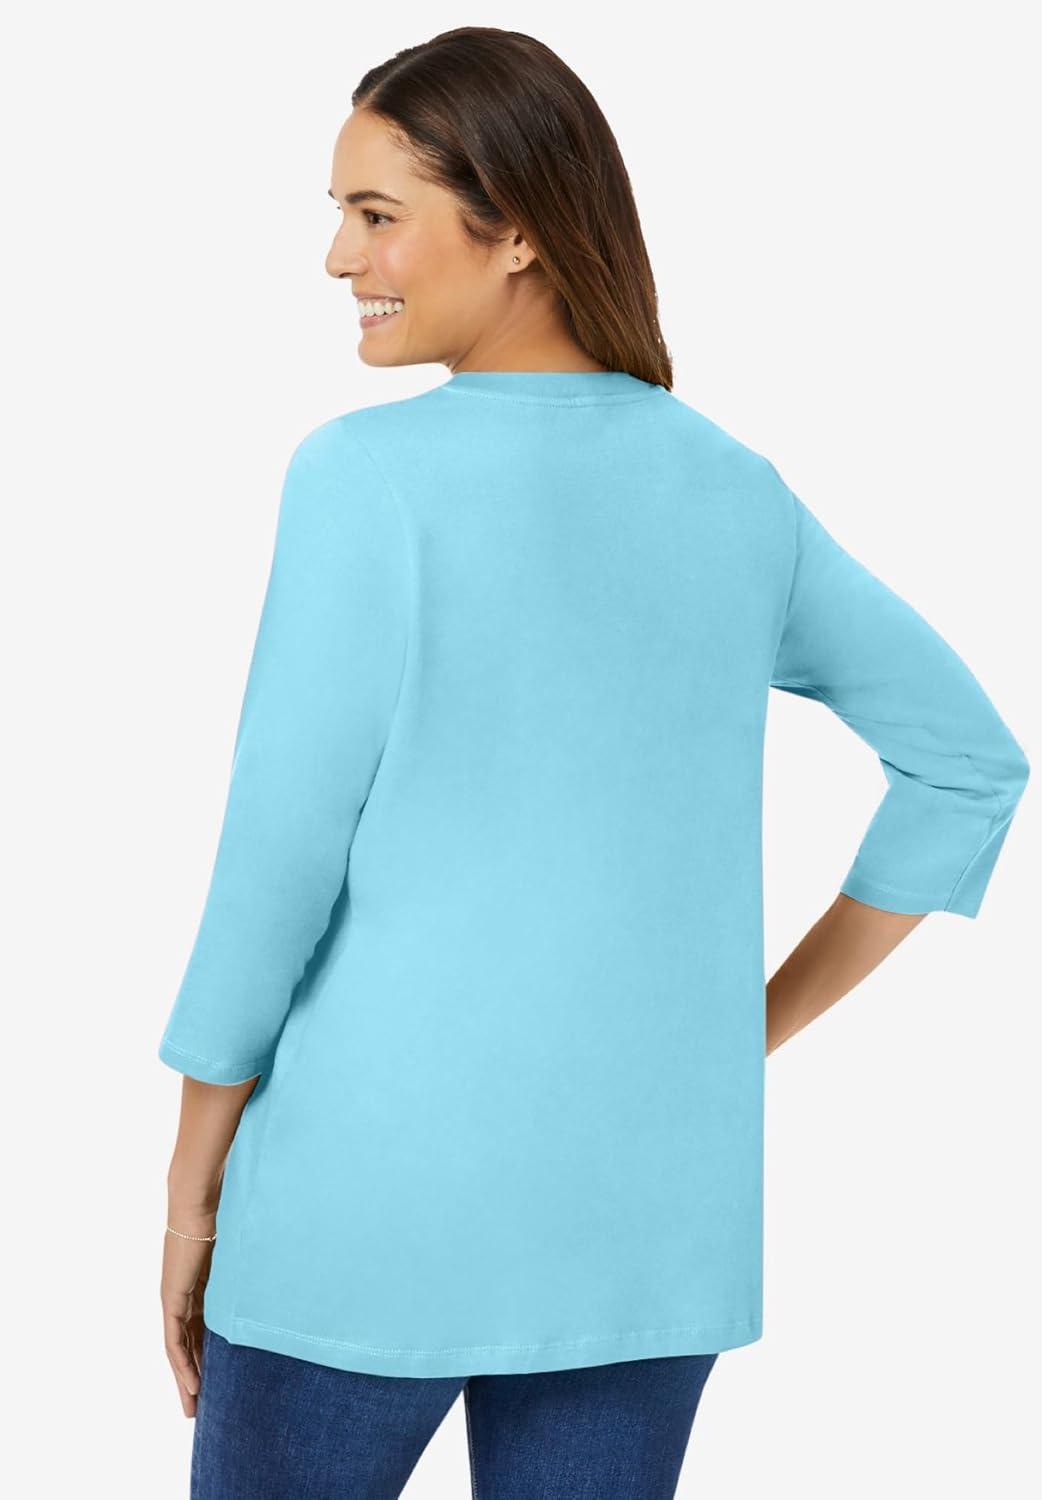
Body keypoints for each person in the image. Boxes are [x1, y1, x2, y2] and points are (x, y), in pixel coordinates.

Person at [158, 26, 1030, 1500]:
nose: (338, 259)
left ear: (515, 231)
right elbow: (966, 763)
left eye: (375, 214)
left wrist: (192, 1187)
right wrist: (733, 1036)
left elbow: (277, 859)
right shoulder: (733, 491)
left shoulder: (365, 477)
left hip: (370, 1203)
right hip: (647, 1215)